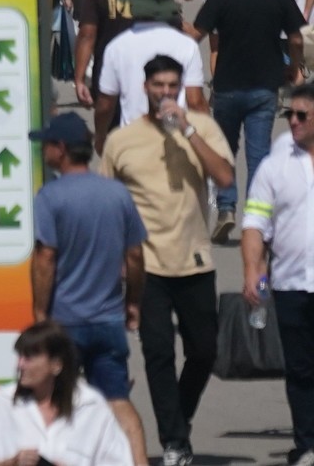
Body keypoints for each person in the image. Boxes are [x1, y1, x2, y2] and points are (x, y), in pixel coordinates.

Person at [101, 54, 233, 466]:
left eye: (172, 86)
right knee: (158, 353)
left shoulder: (203, 128)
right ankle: (175, 441)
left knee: (205, 352)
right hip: (146, 265)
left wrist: (189, 129)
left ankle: (179, 416)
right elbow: (109, 206)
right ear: (145, 89)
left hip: (194, 259)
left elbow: (227, 178)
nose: (166, 93)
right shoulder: (121, 141)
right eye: (158, 85)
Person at [28, 110, 151, 464]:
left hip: (64, 322)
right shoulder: (117, 194)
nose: (44, 151)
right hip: (107, 320)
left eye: (47, 145)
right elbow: (135, 257)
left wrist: (40, 313)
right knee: (116, 400)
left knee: (47, 402)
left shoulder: (50, 196)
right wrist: (132, 303)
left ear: (62, 149)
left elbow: (45, 258)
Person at [192, 0, 304, 239]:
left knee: (225, 150)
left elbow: (195, 35)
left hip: (228, 86)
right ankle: (256, 216)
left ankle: (226, 207)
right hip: (264, 88)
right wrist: (294, 66)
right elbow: (296, 38)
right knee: (259, 155)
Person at [240, 79, 314, 466]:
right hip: (291, 284)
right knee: (300, 370)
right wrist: (253, 269)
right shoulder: (276, 163)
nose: (294, 122)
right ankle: (306, 445)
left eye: (303, 115)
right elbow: (255, 221)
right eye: (290, 114)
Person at [0, 322, 135, 466]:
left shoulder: (91, 407)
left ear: (56, 364)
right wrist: (12, 462)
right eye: (20, 356)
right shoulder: (3, 402)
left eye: (29, 357)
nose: (20, 365)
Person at [94, 0, 206, 142]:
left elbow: (105, 104)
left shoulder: (117, 46)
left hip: (133, 139)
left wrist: (101, 136)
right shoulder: (187, 45)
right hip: (176, 136)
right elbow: (195, 101)